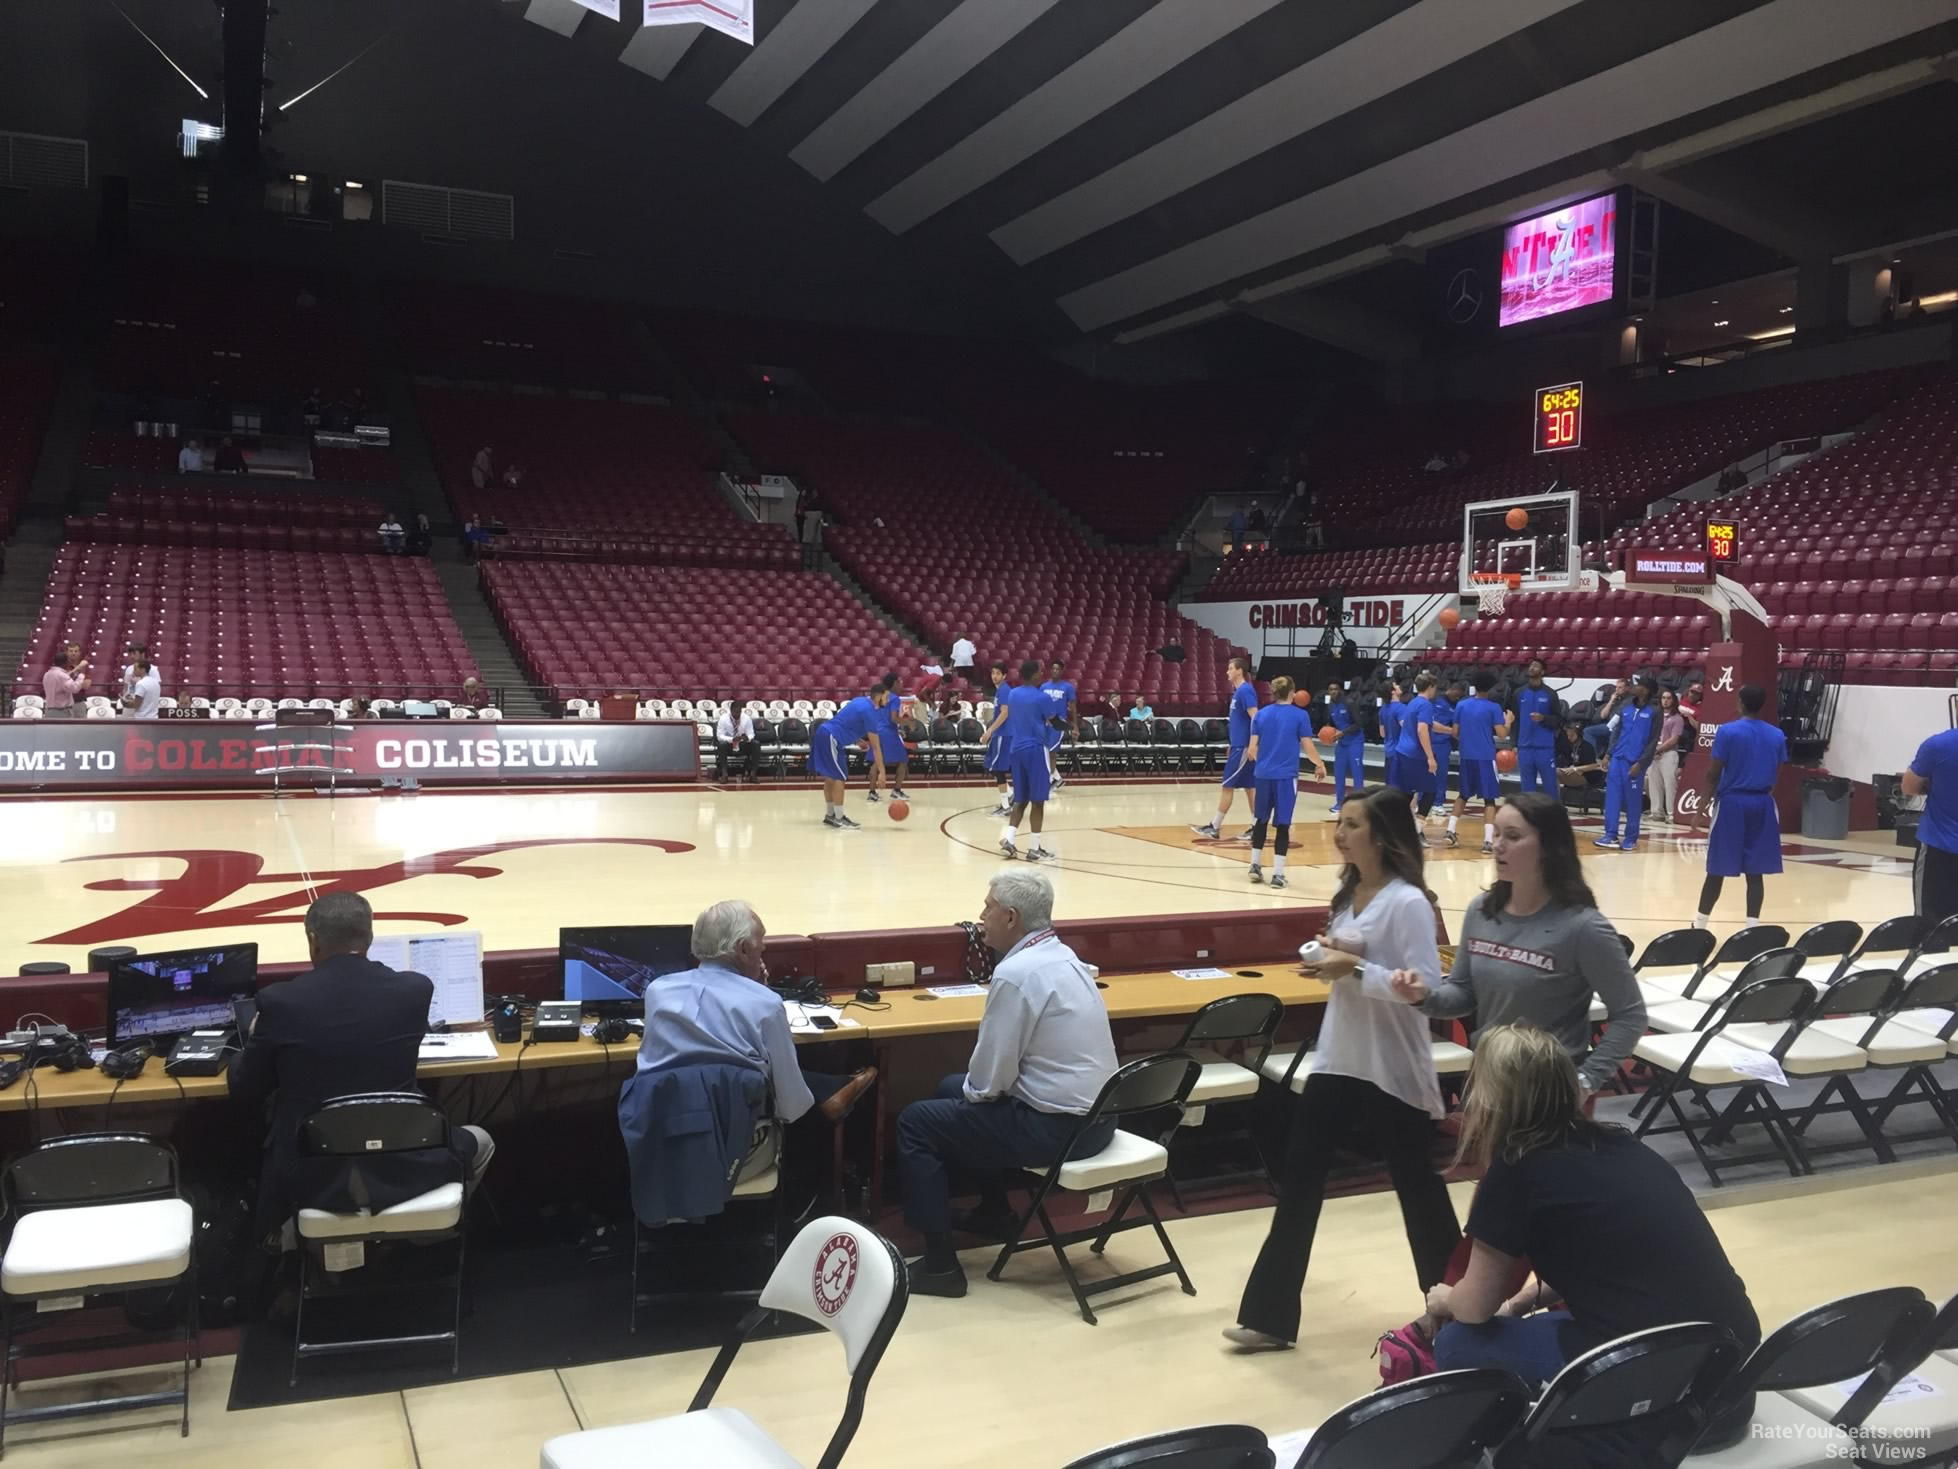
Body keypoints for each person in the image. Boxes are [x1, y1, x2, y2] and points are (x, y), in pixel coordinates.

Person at [1421, 1025, 1759, 1448]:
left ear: (1489, 1100)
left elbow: (1473, 1308)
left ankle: (1525, 1441)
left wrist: (1442, 1297)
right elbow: (1605, 1258)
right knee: (1553, 1323)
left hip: (1668, 1397)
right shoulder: (1623, 1143)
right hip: (1731, 1378)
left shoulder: (1517, 1168)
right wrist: (1523, 1303)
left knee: (1457, 1342)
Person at [1226, 789, 1459, 1351]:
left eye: (1351, 824)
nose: (1339, 831)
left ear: (1380, 835)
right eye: (1340, 822)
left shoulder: (1407, 902)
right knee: (1300, 1182)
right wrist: (1330, 959)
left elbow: (1423, 988)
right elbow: (1350, 962)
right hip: (1339, 1058)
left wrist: (1353, 970)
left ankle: (1461, 1316)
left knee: (1418, 1191)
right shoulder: (1348, 893)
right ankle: (1269, 1317)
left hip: (1390, 1064)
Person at [896, 870, 1117, 1297]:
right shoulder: (1063, 956)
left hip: (1059, 1129)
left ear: (1011, 917)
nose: (981, 917)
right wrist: (968, 1098)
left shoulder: (1016, 973)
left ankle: (941, 1266)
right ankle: (995, 1212)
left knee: (916, 1122)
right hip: (1098, 1119)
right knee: (948, 1087)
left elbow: (990, 1078)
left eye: (988, 908)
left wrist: (972, 1100)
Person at [227, 893, 496, 1241]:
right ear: (369, 936)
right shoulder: (414, 990)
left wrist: (253, 1037)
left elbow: (245, 1087)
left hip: (313, 1174)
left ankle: (311, 1248)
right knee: (483, 1141)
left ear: (313, 939)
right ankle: (422, 1239)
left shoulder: (281, 1002)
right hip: (405, 1165)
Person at [622, 900, 875, 1220]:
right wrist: (758, 994)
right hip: (736, 1150)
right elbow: (793, 1106)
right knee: (801, 1109)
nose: (763, 955)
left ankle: (831, 1091)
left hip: (661, 1144)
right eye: (761, 947)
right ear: (743, 950)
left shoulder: (657, 991)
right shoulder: (766, 1005)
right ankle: (804, 1213)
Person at [1389, 794, 1645, 1090]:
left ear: (1550, 847)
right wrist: (1424, 997)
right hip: (1487, 1078)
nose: (1497, 844)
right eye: (1496, 833)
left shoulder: (1583, 927)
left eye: (1512, 836)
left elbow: (1630, 1015)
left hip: (1549, 1087)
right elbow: (1463, 992)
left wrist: (1586, 1081)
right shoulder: (1481, 911)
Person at [1689, 684, 1787, 929]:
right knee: (1756, 871)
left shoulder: (1727, 732)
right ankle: (1752, 927)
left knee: (1717, 867)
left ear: (1740, 702)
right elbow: (1779, 770)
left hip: (1732, 802)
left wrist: (1701, 806)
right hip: (1762, 802)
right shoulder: (1776, 734)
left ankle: (1700, 925)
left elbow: (1713, 773)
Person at [1245, 675, 1328, 890]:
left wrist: (1267, 753)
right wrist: (1319, 764)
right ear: (1293, 692)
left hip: (1262, 775)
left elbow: (1252, 750)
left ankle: (1254, 866)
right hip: (1285, 776)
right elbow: (1308, 746)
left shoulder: (1261, 715)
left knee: (1260, 820)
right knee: (1283, 824)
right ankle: (1278, 875)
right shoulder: (1300, 716)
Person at [983, 660, 1056, 861]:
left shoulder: (1013, 694)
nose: (1042, 675)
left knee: (1021, 799)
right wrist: (1067, 727)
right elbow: (1053, 719)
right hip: (1035, 749)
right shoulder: (1042, 697)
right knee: (1038, 801)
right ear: (1033, 675)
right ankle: (1034, 849)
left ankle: (1010, 840)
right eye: (1039, 672)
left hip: (1016, 749)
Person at [1193, 656, 1259, 841]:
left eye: (1230, 668)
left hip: (1244, 748)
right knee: (1250, 787)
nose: (1227, 672)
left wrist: (1252, 744)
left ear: (1239, 671)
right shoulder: (1239, 692)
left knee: (1227, 785)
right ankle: (1256, 827)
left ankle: (1214, 826)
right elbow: (1242, 722)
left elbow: (1256, 717)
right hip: (1239, 745)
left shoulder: (1245, 691)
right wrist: (1233, 743)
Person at [809, 683, 891, 828]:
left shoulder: (859, 701)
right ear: (878, 697)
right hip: (831, 737)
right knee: (840, 777)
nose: (888, 700)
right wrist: (882, 772)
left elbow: (844, 722)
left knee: (831, 777)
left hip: (825, 733)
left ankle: (830, 815)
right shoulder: (870, 712)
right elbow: (876, 747)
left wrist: (858, 740)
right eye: (886, 696)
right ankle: (839, 818)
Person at [1597, 675, 1660, 853]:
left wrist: (1641, 763)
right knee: (1612, 798)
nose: (1634, 686)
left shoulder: (1655, 712)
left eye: (1638, 684)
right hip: (1617, 758)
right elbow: (1616, 732)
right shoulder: (1625, 706)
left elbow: (1653, 741)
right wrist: (1608, 754)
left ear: (1646, 690)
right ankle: (1610, 835)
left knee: (1633, 802)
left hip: (1635, 763)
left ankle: (1631, 838)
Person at [1905, 723, 1958, 927]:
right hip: (1939, 844)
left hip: (1939, 846)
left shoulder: (1937, 745)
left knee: (1929, 926)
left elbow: (1909, 787)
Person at [1444, 676, 1505, 853]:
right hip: (1485, 757)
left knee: (1463, 795)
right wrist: (1508, 722)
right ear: (1490, 689)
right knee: (1489, 799)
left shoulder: (1462, 705)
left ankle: (1450, 830)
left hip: (1466, 755)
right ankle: (1487, 841)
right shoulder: (1494, 707)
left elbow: (1455, 732)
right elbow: (1502, 734)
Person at [1510, 659, 1561, 797]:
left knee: (1550, 786)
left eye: (1536, 666)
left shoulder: (1550, 694)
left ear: (1543, 671)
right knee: (1526, 788)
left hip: (1544, 748)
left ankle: (1553, 815)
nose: (1532, 668)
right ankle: (1528, 816)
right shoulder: (1519, 693)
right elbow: (1514, 720)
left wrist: (1543, 718)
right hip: (1525, 747)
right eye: (1531, 665)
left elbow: (1558, 720)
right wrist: (1514, 743)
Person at [1394, 672, 1439, 816]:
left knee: (1407, 793)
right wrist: (1430, 757)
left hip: (1402, 751)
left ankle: (1394, 827)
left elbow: (1427, 725)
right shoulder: (1426, 705)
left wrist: (1450, 730)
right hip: (1416, 754)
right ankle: (1417, 830)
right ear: (1431, 686)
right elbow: (1422, 730)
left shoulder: (1413, 702)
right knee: (1430, 791)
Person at [1322, 678, 1366, 816]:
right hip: (1342, 743)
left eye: (1335, 689)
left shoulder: (1349, 703)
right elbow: (1331, 723)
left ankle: (1359, 804)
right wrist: (1327, 729)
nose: (1333, 691)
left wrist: (1343, 732)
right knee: (1338, 772)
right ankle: (1339, 802)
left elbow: (1359, 723)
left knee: (1357, 773)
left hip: (1355, 741)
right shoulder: (1330, 706)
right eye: (1331, 689)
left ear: (1340, 690)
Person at [866, 685, 913, 804]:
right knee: (903, 761)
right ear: (894, 683)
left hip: (875, 730)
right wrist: (908, 723)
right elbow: (893, 718)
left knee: (876, 762)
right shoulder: (893, 698)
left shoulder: (874, 698)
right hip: (888, 733)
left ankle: (871, 793)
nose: (901, 684)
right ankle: (896, 790)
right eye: (899, 681)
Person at [1645, 688, 1686, 824]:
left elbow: (1674, 739)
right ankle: (1656, 811)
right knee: (1654, 783)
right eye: (1663, 698)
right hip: (1654, 752)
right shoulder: (1655, 716)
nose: (1666, 700)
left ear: (1673, 701)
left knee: (1670, 784)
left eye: (1668, 698)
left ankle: (1671, 813)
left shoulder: (1677, 718)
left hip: (1669, 753)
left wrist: (1658, 749)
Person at [1423, 678, 1460, 825]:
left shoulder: (1456, 707)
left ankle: (1438, 803)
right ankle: (1422, 801)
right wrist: (1452, 731)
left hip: (1444, 744)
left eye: (1459, 695)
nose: (1456, 697)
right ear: (1450, 690)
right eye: (1455, 693)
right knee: (1426, 773)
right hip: (1431, 742)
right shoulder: (1434, 702)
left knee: (1442, 775)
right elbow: (1432, 725)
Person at [1040, 659, 1078, 793]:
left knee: (1052, 751)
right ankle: (1056, 778)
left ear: (1062, 671)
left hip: (1058, 723)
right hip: (1044, 723)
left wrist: (1075, 727)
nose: (1055, 671)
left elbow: (1073, 708)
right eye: (1053, 669)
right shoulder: (1043, 686)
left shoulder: (1068, 687)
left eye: (1057, 669)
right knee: (1043, 751)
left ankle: (1050, 779)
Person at [982, 662, 1015, 814]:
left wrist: (989, 731)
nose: (994, 676)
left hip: (1003, 734)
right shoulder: (1000, 690)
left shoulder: (1004, 690)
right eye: (993, 673)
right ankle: (1010, 795)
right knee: (993, 767)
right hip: (1000, 735)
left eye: (997, 673)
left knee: (997, 769)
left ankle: (1006, 805)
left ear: (1004, 676)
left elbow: (1005, 712)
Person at [715, 699, 759, 782]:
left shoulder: (746, 718)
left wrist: (747, 738)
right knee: (721, 745)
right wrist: (731, 739)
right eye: (736, 712)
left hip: (742, 744)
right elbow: (719, 736)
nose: (738, 714)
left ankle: (753, 774)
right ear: (731, 711)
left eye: (739, 712)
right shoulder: (723, 719)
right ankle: (724, 774)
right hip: (729, 744)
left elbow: (751, 734)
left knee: (756, 744)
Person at [1380, 680, 1409, 793]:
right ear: (1393, 692)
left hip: (1388, 750)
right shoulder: (1401, 708)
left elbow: (1382, 733)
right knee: (1400, 787)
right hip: (1400, 751)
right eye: (1396, 685)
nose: (1399, 686)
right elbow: (1406, 728)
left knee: (1390, 784)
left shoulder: (1383, 709)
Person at [41, 649, 86, 718]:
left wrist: (76, 670)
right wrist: (81, 675)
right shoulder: (61, 675)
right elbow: (74, 688)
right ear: (66, 662)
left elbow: (62, 679)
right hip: (61, 712)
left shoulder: (47, 674)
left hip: (49, 711)